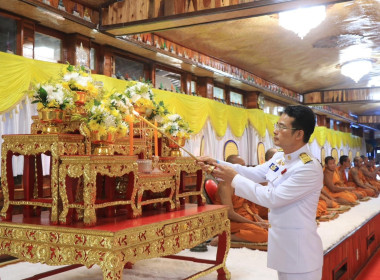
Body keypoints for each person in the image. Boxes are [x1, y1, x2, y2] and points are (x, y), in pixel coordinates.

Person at [198, 105, 323, 280]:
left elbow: (272, 198)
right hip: (284, 246)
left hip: (300, 251)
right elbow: (255, 173)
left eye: (282, 127)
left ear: (299, 134)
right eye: (276, 125)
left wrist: (233, 178)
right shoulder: (281, 157)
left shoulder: (307, 167)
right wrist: (217, 162)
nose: (275, 131)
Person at [211, 154, 268, 247]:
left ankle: (249, 231)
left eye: (244, 166)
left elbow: (250, 207)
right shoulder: (225, 185)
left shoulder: (240, 183)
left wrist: (260, 221)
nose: (243, 169)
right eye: (240, 167)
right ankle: (228, 237)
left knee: (273, 227)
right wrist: (254, 224)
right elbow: (230, 214)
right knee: (264, 234)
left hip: (246, 219)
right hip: (230, 221)